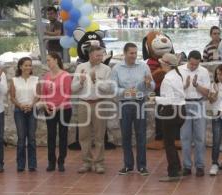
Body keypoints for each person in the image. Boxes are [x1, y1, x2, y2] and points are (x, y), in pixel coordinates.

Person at [111, 42, 155, 176]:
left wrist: (148, 83)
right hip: (125, 104)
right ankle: (128, 165)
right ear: (124, 53)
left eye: (135, 53)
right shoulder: (117, 68)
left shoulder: (144, 66)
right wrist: (125, 91)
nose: (134, 56)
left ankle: (142, 166)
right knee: (126, 135)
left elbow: (152, 85)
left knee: (141, 134)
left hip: (140, 103)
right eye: (131, 53)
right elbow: (113, 89)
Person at [71, 46, 111, 174]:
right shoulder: (80, 68)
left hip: (100, 103)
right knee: (84, 135)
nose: (100, 58)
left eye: (101, 55)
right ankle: (86, 162)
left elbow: (108, 89)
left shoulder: (106, 69)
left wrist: (95, 80)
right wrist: (81, 82)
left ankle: (99, 163)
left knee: (99, 136)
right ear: (90, 55)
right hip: (84, 104)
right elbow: (73, 88)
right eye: (97, 55)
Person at [150, 53, 186, 182]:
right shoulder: (177, 75)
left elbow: (169, 99)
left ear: (166, 64)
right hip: (181, 110)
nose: (160, 64)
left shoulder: (168, 78)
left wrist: (155, 98)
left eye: (162, 62)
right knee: (171, 142)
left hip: (171, 112)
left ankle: (173, 172)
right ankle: (178, 167)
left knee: (168, 143)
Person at [179, 50, 210, 177]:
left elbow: (207, 92)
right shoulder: (179, 70)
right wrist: (185, 85)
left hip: (199, 104)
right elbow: (175, 90)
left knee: (200, 137)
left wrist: (196, 85)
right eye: (191, 64)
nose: (193, 67)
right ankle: (186, 166)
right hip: (184, 104)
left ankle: (200, 166)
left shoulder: (204, 71)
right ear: (188, 60)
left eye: (196, 65)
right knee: (185, 137)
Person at [41, 52, 72, 172]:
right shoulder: (46, 76)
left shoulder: (65, 75)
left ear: (56, 60)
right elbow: (43, 93)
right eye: (47, 60)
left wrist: (58, 107)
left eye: (49, 60)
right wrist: (45, 104)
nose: (47, 63)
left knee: (63, 135)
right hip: (49, 110)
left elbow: (68, 94)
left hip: (64, 109)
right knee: (51, 135)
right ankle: (51, 161)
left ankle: (61, 161)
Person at [10, 57, 39, 172]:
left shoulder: (36, 79)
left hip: (32, 110)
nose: (28, 67)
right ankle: (20, 164)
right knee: (21, 138)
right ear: (20, 67)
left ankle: (32, 164)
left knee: (31, 138)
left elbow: (38, 95)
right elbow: (12, 97)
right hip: (19, 111)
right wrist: (20, 105)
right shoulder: (14, 80)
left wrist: (31, 105)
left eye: (30, 65)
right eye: (26, 65)